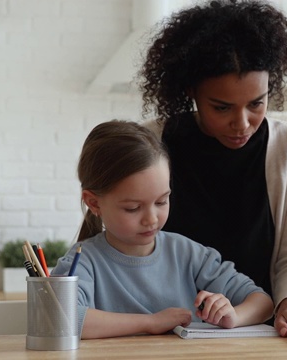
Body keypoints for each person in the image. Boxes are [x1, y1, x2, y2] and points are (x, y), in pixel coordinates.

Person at [138, 0, 287, 336]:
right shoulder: (151, 142)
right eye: (221, 108)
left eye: (256, 103)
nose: (242, 123)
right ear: (191, 91)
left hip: (259, 329)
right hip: (164, 329)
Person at [51, 120, 274, 339]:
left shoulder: (187, 253)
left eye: (161, 202)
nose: (151, 219)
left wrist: (233, 315)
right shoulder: (83, 261)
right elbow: (61, 318)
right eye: (133, 208)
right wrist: (151, 322)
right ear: (94, 203)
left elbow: (262, 302)